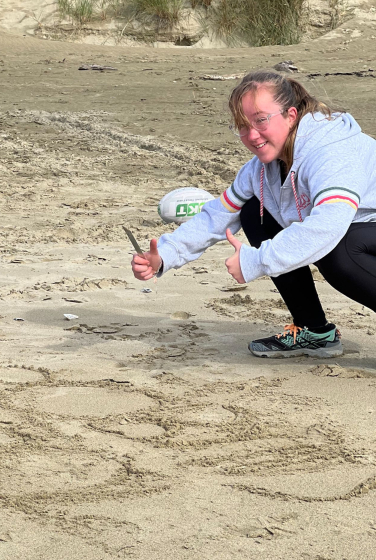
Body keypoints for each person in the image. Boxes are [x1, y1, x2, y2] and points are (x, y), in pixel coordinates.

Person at [132, 69, 376, 358]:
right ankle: (314, 332)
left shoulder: (331, 150)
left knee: (341, 249)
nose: (252, 135)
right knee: (254, 212)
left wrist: (257, 260)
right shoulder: (260, 169)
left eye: (261, 120)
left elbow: (328, 225)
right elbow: (216, 216)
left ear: (291, 115)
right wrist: (165, 255)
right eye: (242, 126)